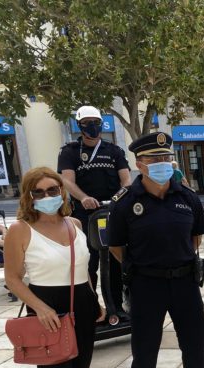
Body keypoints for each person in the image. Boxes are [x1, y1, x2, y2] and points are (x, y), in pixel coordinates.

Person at [107, 133, 204, 368]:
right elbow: (116, 246)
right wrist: (144, 265)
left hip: (184, 281)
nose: (162, 164)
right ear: (139, 164)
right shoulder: (125, 203)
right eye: (154, 159)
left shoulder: (186, 197)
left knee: (194, 346)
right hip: (146, 284)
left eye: (165, 158)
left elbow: (196, 238)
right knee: (145, 351)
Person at [4, 167, 105, 368]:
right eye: (40, 192)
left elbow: (83, 268)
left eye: (53, 190)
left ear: (61, 192)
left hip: (82, 303)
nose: (48, 196)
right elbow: (12, 278)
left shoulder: (74, 223)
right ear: (29, 196)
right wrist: (41, 306)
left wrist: (94, 298)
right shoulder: (20, 230)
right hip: (47, 306)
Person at [58, 105, 131, 318]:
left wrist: (120, 197)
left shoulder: (114, 150)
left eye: (96, 122)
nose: (92, 126)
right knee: (88, 264)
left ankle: (117, 307)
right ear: (79, 125)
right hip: (85, 215)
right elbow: (66, 180)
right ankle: (91, 310)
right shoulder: (70, 151)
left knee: (116, 261)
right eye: (87, 123)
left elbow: (126, 179)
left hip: (112, 211)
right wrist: (84, 198)